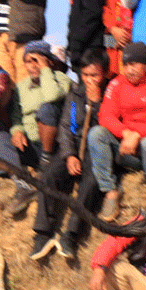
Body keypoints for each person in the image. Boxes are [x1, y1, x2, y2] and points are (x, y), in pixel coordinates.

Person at [30, 48, 112, 261]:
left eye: (94, 75)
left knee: (92, 182)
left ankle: (71, 236)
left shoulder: (112, 93)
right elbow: (67, 126)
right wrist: (69, 155)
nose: (89, 80)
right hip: (74, 147)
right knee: (48, 177)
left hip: (97, 148)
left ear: (105, 73)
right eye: (85, 75)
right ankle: (42, 234)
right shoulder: (75, 94)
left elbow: (109, 127)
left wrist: (97, 104)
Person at [90, 42, 146, 219]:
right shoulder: (117, 83)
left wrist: (138, 134)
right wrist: (126, 133)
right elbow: (106, 115)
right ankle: (110, 191)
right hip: (126, 147)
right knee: (96, 133)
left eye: (134, 64)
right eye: (125, 65)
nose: (129, 70)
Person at [0, 41, 71, 216]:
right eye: (28, 61)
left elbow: (51, 95)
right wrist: (17, 130)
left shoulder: (61, 79)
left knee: (46, 108)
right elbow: (16, 116)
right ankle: (23, 185)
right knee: (0, 138)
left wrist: (45, 70)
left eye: (36, 60)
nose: (32, 66)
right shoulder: (21, 87)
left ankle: (45, 163)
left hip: (53, 148)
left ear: (49, 62)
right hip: (30, 146)